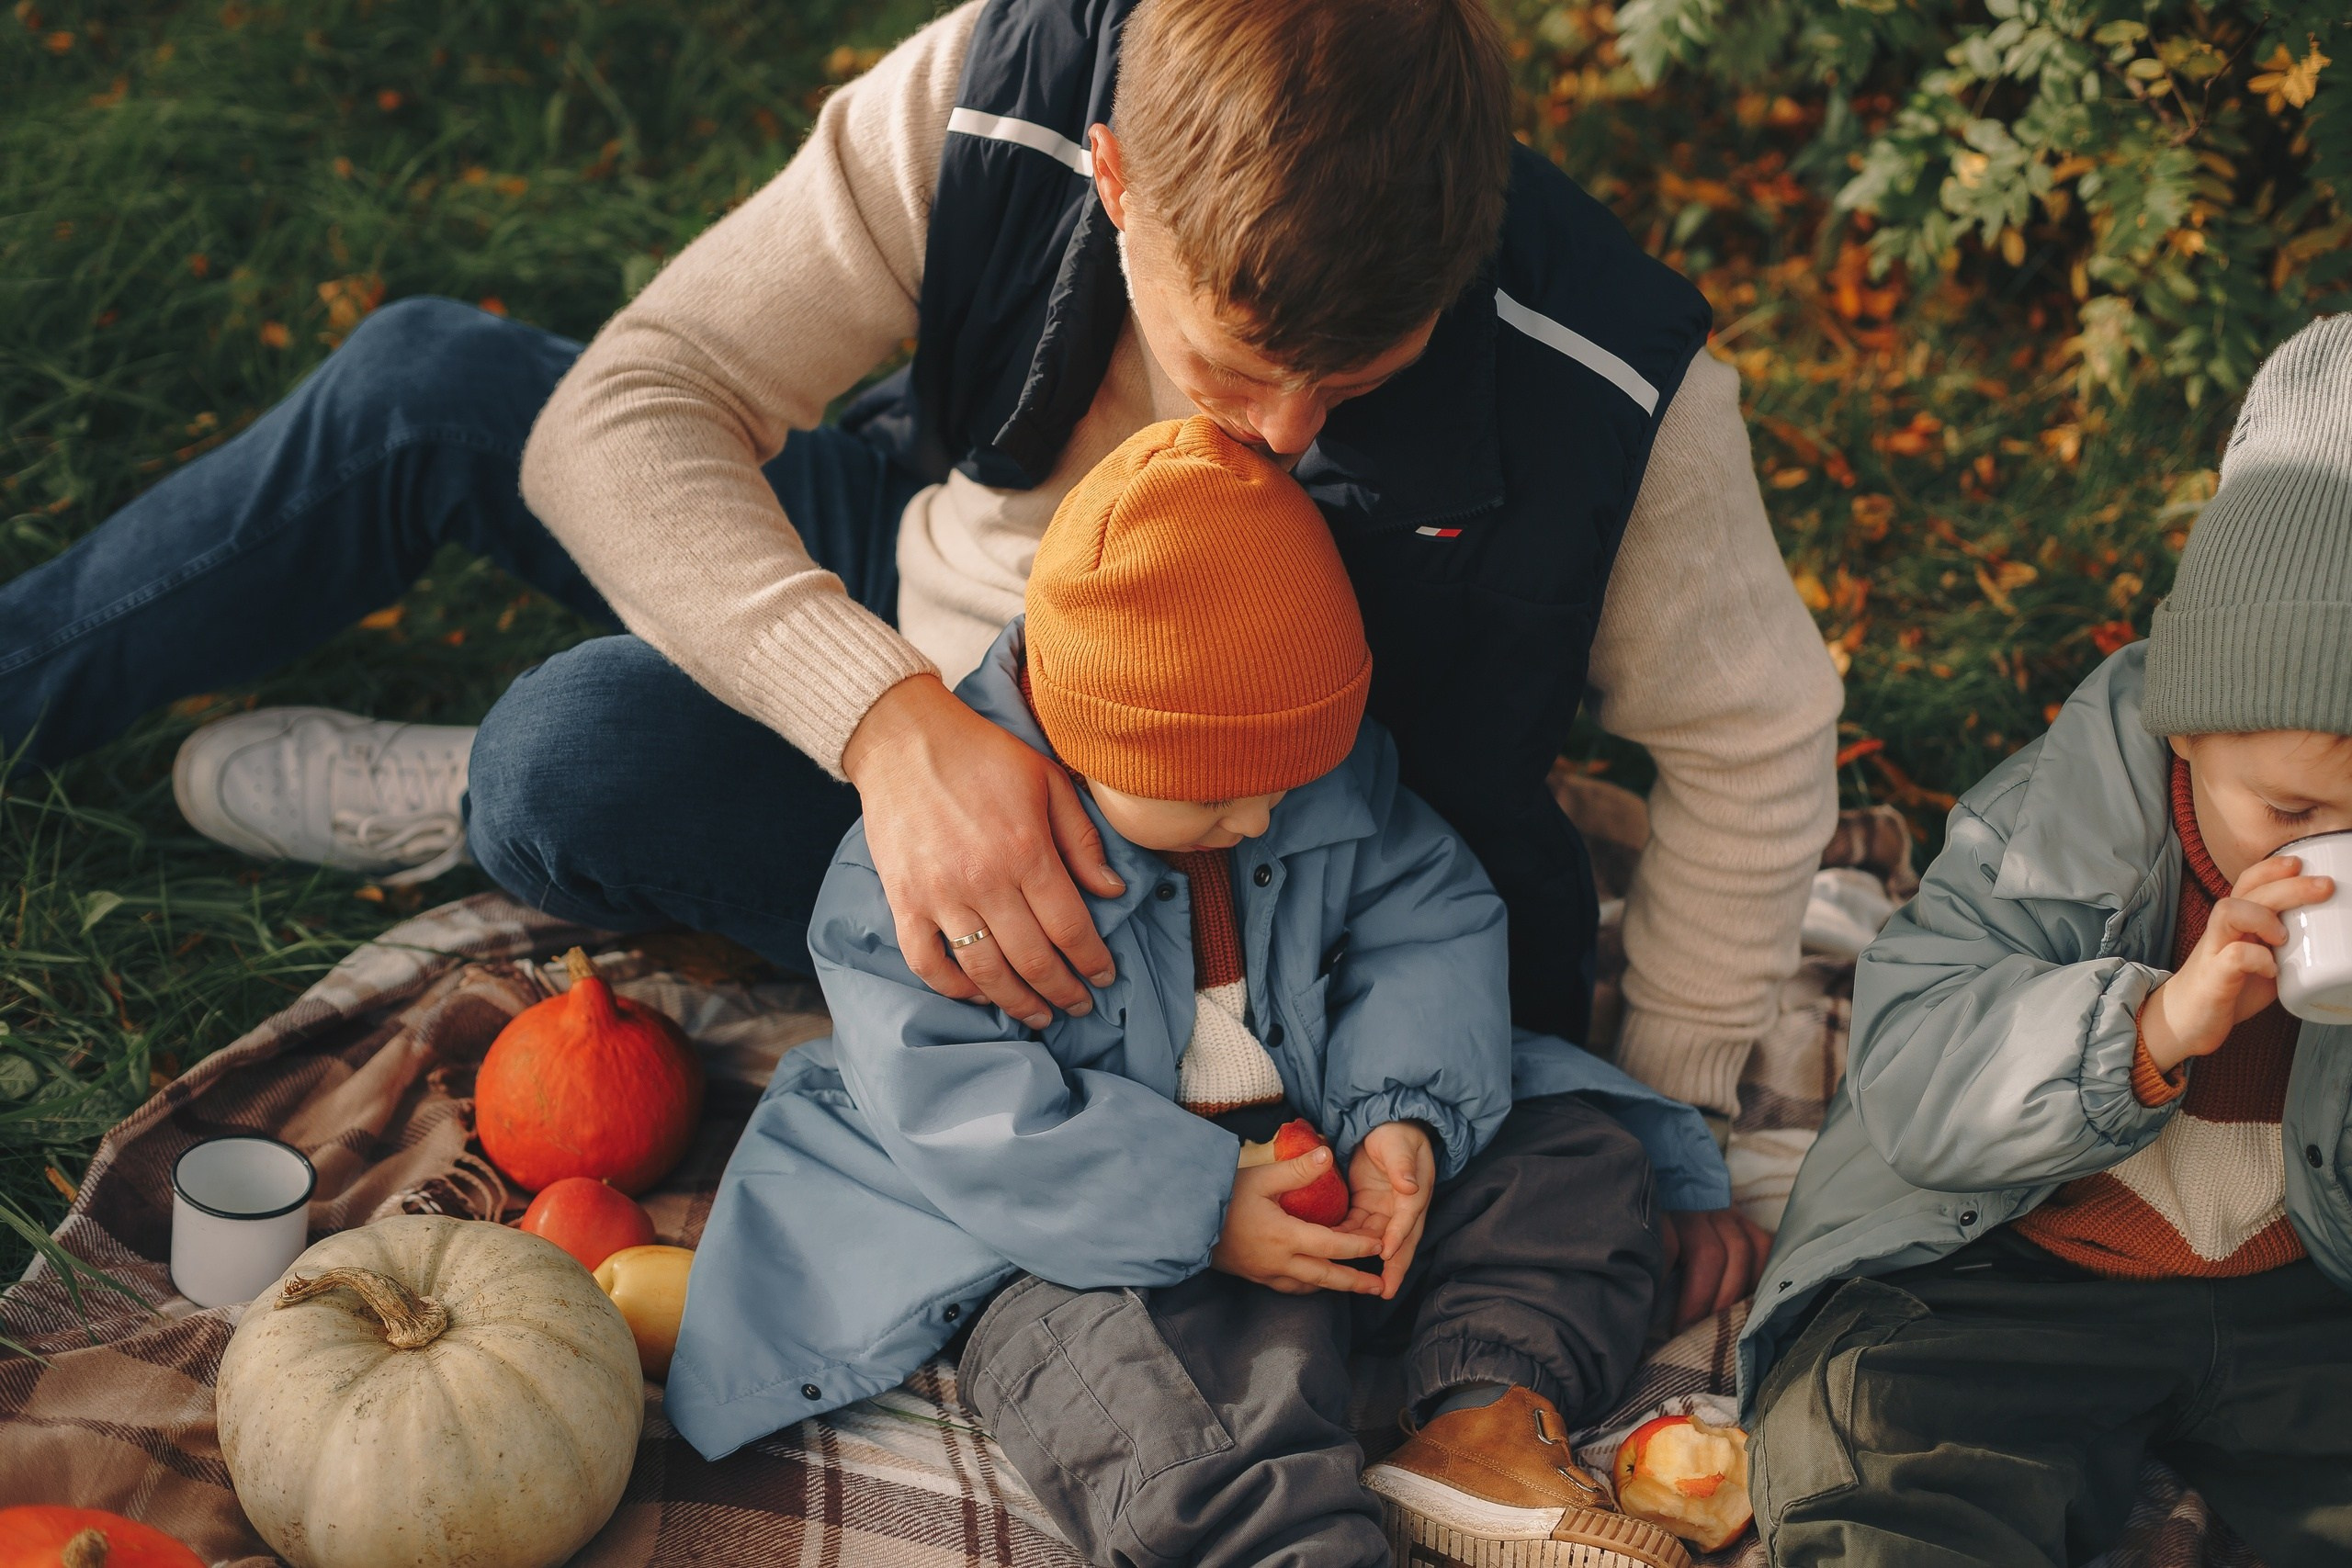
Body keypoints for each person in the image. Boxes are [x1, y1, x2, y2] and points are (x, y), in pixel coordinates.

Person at [0, 0, 1840, 1314]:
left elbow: (1756, 739)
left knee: (568, 757)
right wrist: (883, 722)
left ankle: (491, 804)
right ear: (1114, 181)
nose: (1285, 436)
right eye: (1228, 367)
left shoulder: (1617, 382)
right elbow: (633, 406)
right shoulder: (997, 98)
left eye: (1356, 381)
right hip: (930, 604)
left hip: (1192, 863)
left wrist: (1674, 1118)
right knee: (429, 384)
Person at [673, 416, 1733, 1568]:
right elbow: (954, 1101)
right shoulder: (940, 869)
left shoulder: (1315, 775)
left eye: (1291, 780)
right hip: (1083, 1224)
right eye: (1219, 798)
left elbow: (1427, 922)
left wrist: (1403, 1121)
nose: (1262, 815)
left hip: (1321, 1148)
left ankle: (1481, 1428)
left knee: (1572, 1161)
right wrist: (1197, 1211)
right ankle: (1282, 1543)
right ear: (1082, 733)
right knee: (1129, 1378)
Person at [1737, 314, 2352, 1568]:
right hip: (2023, 1266)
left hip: (2305, 1290)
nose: (2329, 848)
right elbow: (1913, 1073)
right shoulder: (2054, 827)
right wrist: (2152, 1029)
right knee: (1879, 1442)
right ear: (2186, 728)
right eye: (2291, 813)